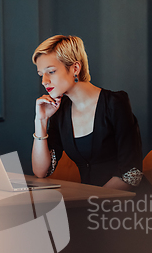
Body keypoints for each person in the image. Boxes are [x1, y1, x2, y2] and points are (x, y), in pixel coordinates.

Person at [31, 34, 144, 192]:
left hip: (128, 206)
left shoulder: (115, 103)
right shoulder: (61, 111)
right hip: (90, 205)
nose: (44, 81)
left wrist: (90, 202)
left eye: (51, 71)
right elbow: (41, 171)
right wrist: (41, 120)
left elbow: (131, 174)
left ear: (75, 68)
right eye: (41, 74)